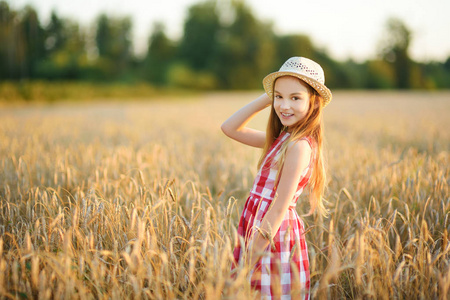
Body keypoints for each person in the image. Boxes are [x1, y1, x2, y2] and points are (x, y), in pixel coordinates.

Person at [221, 57, 332, 299]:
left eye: (295, 98)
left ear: (314, 104)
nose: (284, 105)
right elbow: (229, 128)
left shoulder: (299, 147)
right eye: (279, 97)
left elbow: (279, 208)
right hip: (258, 227)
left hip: (272, 235)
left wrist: (247, 264)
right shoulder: (282, 139)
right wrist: (268, 96)